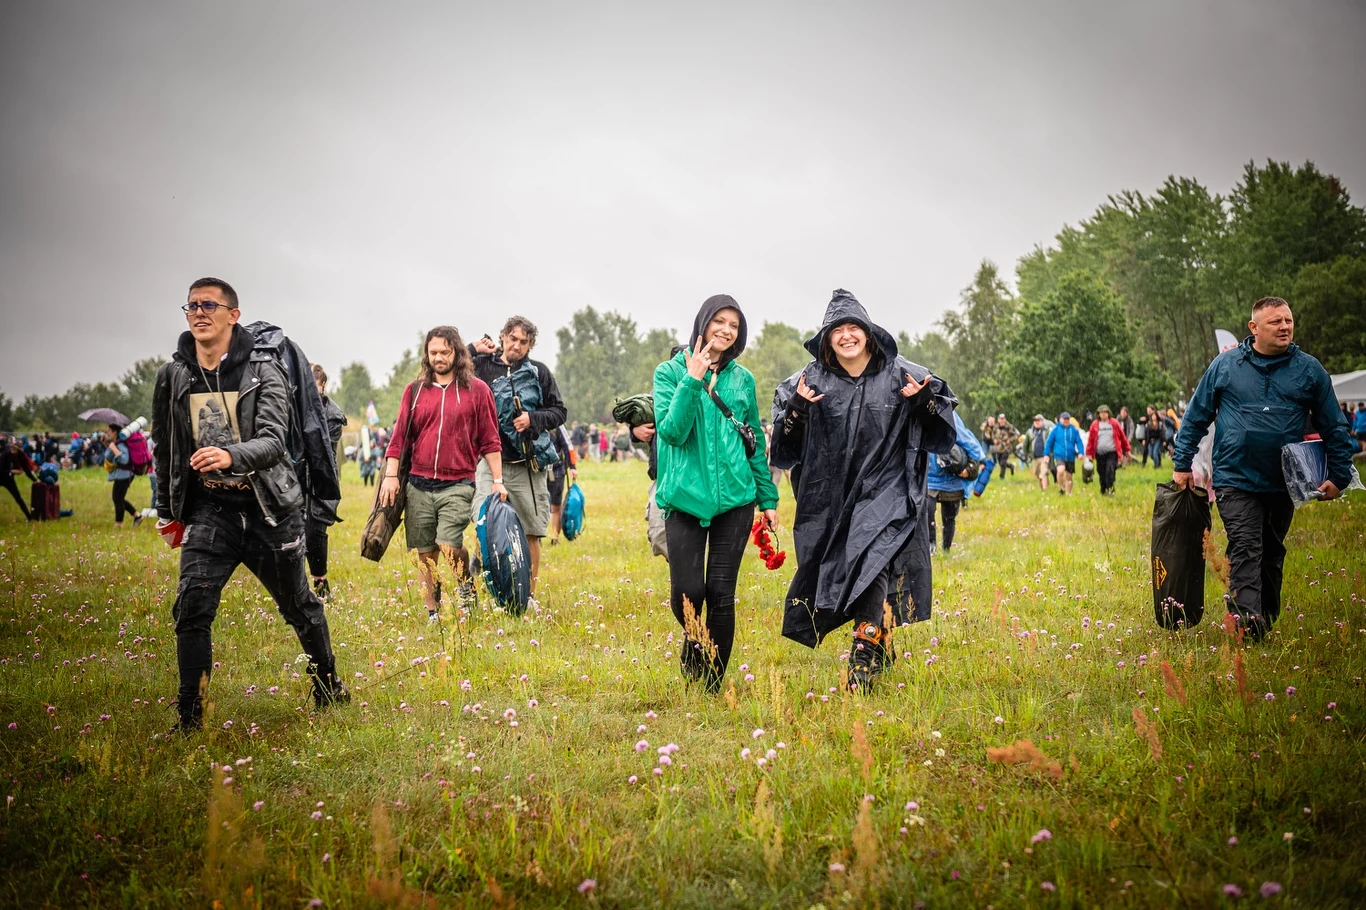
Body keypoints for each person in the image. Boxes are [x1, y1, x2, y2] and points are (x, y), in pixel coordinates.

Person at [152, 277, 348, 733]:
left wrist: (230, 455)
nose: (199, 313)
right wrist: (167, 511)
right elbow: (166, 447)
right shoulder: (175, 375)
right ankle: (189, 718)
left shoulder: (263, 369)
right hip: (210, 511)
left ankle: (329, 686)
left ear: (232, 315)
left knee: (299, 604)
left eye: (209, 305)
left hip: (268, 509)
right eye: (191, 305)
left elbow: (275, 440)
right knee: (192, 608)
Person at [772, 289, 956, 693]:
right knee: (854, 566)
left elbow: (942, 431)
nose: (846, 336)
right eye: (837, 330)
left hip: (889, 489)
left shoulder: (902, 374)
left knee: (872, 556)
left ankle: (864, 649)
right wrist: (798, 411)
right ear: (826, 339)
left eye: (853, 327)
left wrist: (924, 401)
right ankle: (881, 638)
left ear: (869, 334)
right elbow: (784, 449)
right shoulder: (806, 382)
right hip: (832, 498)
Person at [1173, 296, 1355, 642]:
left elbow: (1334, 426)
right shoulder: (1225, 366)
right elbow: (1196, 416)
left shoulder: (1309, 370)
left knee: (1271, 551)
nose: (1285, 326)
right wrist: (1183, 464)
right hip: (1234, 478)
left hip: (1285, 482)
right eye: (1276, 322)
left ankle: (1265, 616)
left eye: (1288, 320)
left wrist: (1340, 475)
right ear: (1254, 328)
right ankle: (1246, 625)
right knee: (1244, 546)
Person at [655, 294, 779, 693]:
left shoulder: (743, 379)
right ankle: (694, 642)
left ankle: (710, 685)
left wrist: (768, 499)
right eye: (720, 322)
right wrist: (692, 379)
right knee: (688, 593)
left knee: (721, 594)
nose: (726, 330)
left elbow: (754, 441)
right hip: (684, 499)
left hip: (736, 500)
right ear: (703, 323)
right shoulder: (668, 373)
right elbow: (672, 432)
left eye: (735, 326)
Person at [382, 327, 505, 620]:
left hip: (458, 482)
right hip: (418, 483)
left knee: (450, 545)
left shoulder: (478, 390)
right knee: (425, 554)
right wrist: (390, 475)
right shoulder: (414, 391)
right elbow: (399, 436)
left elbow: (490, 440)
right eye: (433, 352)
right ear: (427, 354)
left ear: (458, 353)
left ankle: (466, 587)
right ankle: (432, 612)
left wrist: (498, 481)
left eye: (445, 352)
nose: (438, 357)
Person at [469, 317, 567, 597]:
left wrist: (533, 418)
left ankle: (528, 596)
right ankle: (492, 589)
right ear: (502, 337)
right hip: (489, 463)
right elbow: (447, 367)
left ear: (530, 345)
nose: (517, 345)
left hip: (528, 465)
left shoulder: (540, 372)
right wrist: (472, 349)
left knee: (531, 532)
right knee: (483, 525)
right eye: (512, 338)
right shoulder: (482, 367)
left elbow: (559, 412)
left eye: (524, 342)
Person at [306, 363, 347, 600]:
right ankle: (296, 589)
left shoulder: (333, 415)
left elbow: (321, 451)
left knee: (315, 531)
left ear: (323, 386)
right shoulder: (292, 406)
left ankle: (321, 583)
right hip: (295, 479)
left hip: (322, 479)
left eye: (314, 386)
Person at [926, 411, 984, 553]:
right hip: (930, 479)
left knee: (949, 517)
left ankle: (946, 549)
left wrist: (969, 470)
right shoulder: (922, 418)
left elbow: (972, 449)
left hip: (952, 480)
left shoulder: (951, 419)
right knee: (927, 511)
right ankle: (930, 546)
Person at [1085, 405, 1131, 496]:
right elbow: (1091, 440)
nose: (1103, 414)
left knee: (1110, 470)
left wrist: (1127, 450)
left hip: (1112, 452)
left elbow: (1122, 437)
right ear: (1098, 414)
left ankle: (1110, 488)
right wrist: (1088, 453)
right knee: (1101, 472)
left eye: (1105, 412)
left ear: (1108, 413)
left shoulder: (1114, 423)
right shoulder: (1095, 424)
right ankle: (1103, 489)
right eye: (1101, 413)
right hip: (1099, 453)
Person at [103, 423, 142, 526]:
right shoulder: (116, 443)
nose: (108, 433)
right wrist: (109, 446)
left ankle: (119, 523)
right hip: (122, 475)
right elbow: (108, 457)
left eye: (109, 431)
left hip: (124, 475)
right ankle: (137, 515)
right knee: (118, 498)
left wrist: (114, 449)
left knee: (118, 499)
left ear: (115, 432)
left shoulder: (121, 444)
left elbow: (124, 460)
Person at [546, 426, 577, 543]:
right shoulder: (530, 418)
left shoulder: (557, 424)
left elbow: (567, 446)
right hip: (537, 470)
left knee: (555, 505)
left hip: (557, 469)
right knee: (537, 506)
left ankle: (555, 537)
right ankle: (536, 537)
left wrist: (572, 467)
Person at [1045, 412, 1085, 494]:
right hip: (1059, 455)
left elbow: (1079, 442)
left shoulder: (1073, 430)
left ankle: (1068, 493)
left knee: (1069, 477)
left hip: (1070, 456)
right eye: (1064, 419)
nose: (1066, 421)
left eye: (1067, 419)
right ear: (1060, 420)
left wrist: (1081, 452)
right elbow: (1049, 442)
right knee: (1060, 470)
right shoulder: (1055, 430)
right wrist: (1046, 454)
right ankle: (1061, 487)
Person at [1, 434, 36, 520]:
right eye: (11, 448)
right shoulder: (5, 454)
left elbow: (26, 470)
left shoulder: (20, 454)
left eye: (15, 448)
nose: (13, 450)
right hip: (1, 475)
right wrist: (11, 471)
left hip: (9, 480)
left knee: (18, 498)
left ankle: (29, 517)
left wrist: (35, 481)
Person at [988, 412, 1018, 478]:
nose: (1002, 420)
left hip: (1007, 447)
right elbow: (993, 434)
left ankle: (1001, 476)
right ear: (998, 420)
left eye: (1003, 419)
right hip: (998, 447)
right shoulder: (996, 426)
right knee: (1001, 463)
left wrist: (1010, 440)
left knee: (1003, 461)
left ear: (1005, 419)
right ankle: (1011, 466)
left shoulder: (1009, 427)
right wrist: (994, 439)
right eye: (1000, 419)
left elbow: (1015, 435)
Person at [1026, 414, 1051, 490]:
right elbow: (1026, 444)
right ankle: (1043, 488)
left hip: (1044, 456)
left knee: (1043, 473)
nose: (1037, 422)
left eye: (1038, 420)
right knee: (1037, 473)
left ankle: (1045, 489)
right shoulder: (1030, 432)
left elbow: (1050, 442)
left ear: (1042, 421)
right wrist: (1026, 454)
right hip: (1035, 457)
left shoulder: (1046, 431)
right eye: (1035, 421)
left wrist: (1050, 454)